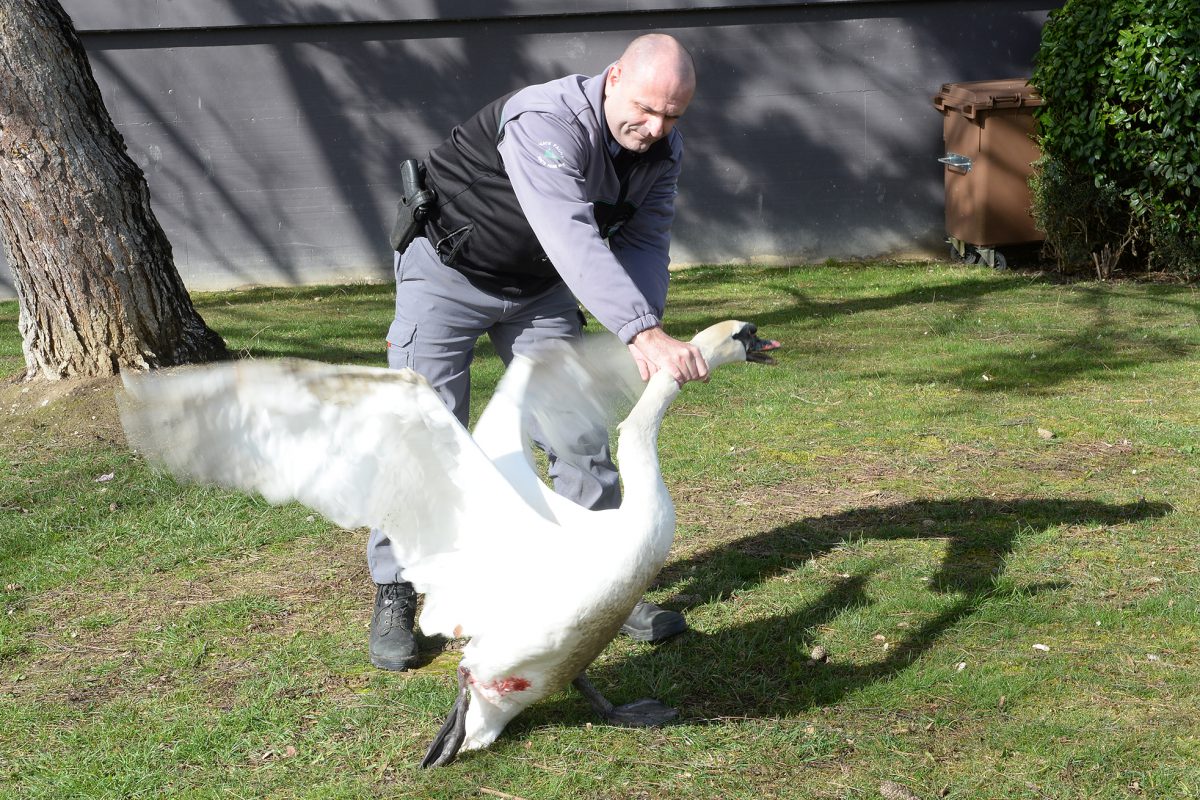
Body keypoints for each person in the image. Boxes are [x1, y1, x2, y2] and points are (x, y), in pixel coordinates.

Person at [368, 33, 708, 671]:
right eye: (646, 107)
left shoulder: (663, 153)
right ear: (612, 79)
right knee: (420, 432)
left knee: (577, 433)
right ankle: (397, 589)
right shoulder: (544, 119)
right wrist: (638, 329)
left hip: (541, 290)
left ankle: (603, 584)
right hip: (447, 273)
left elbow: (644, 240)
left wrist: (641, 328)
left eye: (673, 115)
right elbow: (567, 228)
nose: (656, 127)